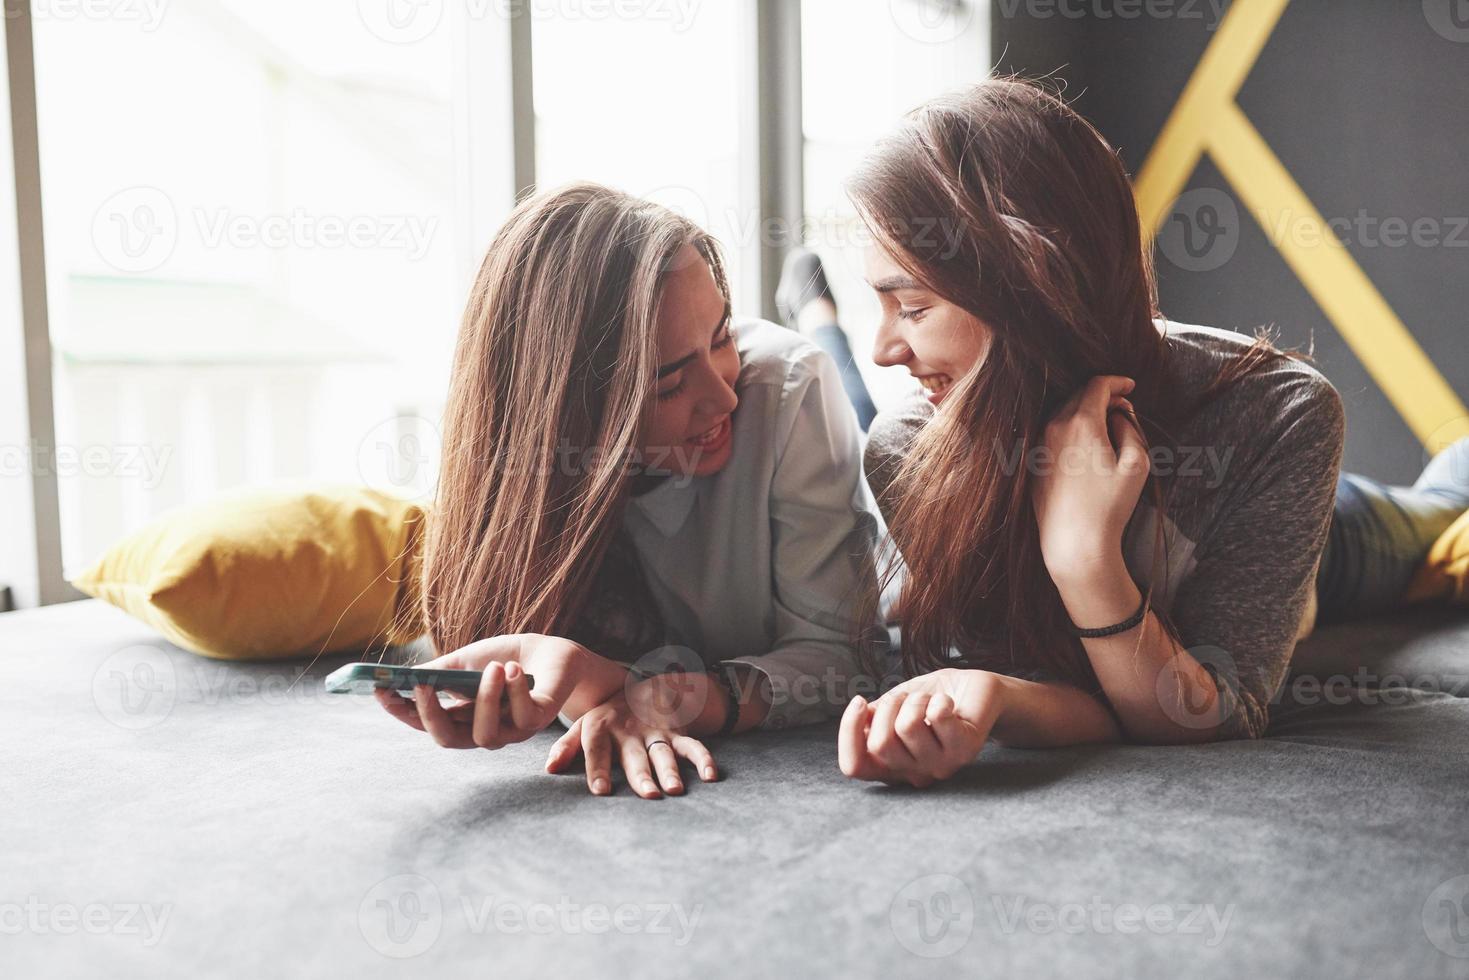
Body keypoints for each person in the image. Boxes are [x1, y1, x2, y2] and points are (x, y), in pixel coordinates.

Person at [764, 80, 1469, 787]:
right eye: (877, 306)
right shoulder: (907, 447)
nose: (885, 347)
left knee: (1447, 506)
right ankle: (817, 319)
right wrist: (1000, 695)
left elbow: (1212, 715)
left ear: (1032, 286)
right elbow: (1075, 692)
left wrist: (1082, 556)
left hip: (1334, 541)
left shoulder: (1276, 413)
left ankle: (816, 316)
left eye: (911, 307)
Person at [374, 183, 885, 798]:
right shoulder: (524, 477)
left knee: (859, 407)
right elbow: (555, 665)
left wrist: (665, 700)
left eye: (721, 335)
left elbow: (843, 662)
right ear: (565, 410)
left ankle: (816, 309)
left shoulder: (785, 389)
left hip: (825, 427)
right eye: (668, 384)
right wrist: (592, 683)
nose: (723, 395)